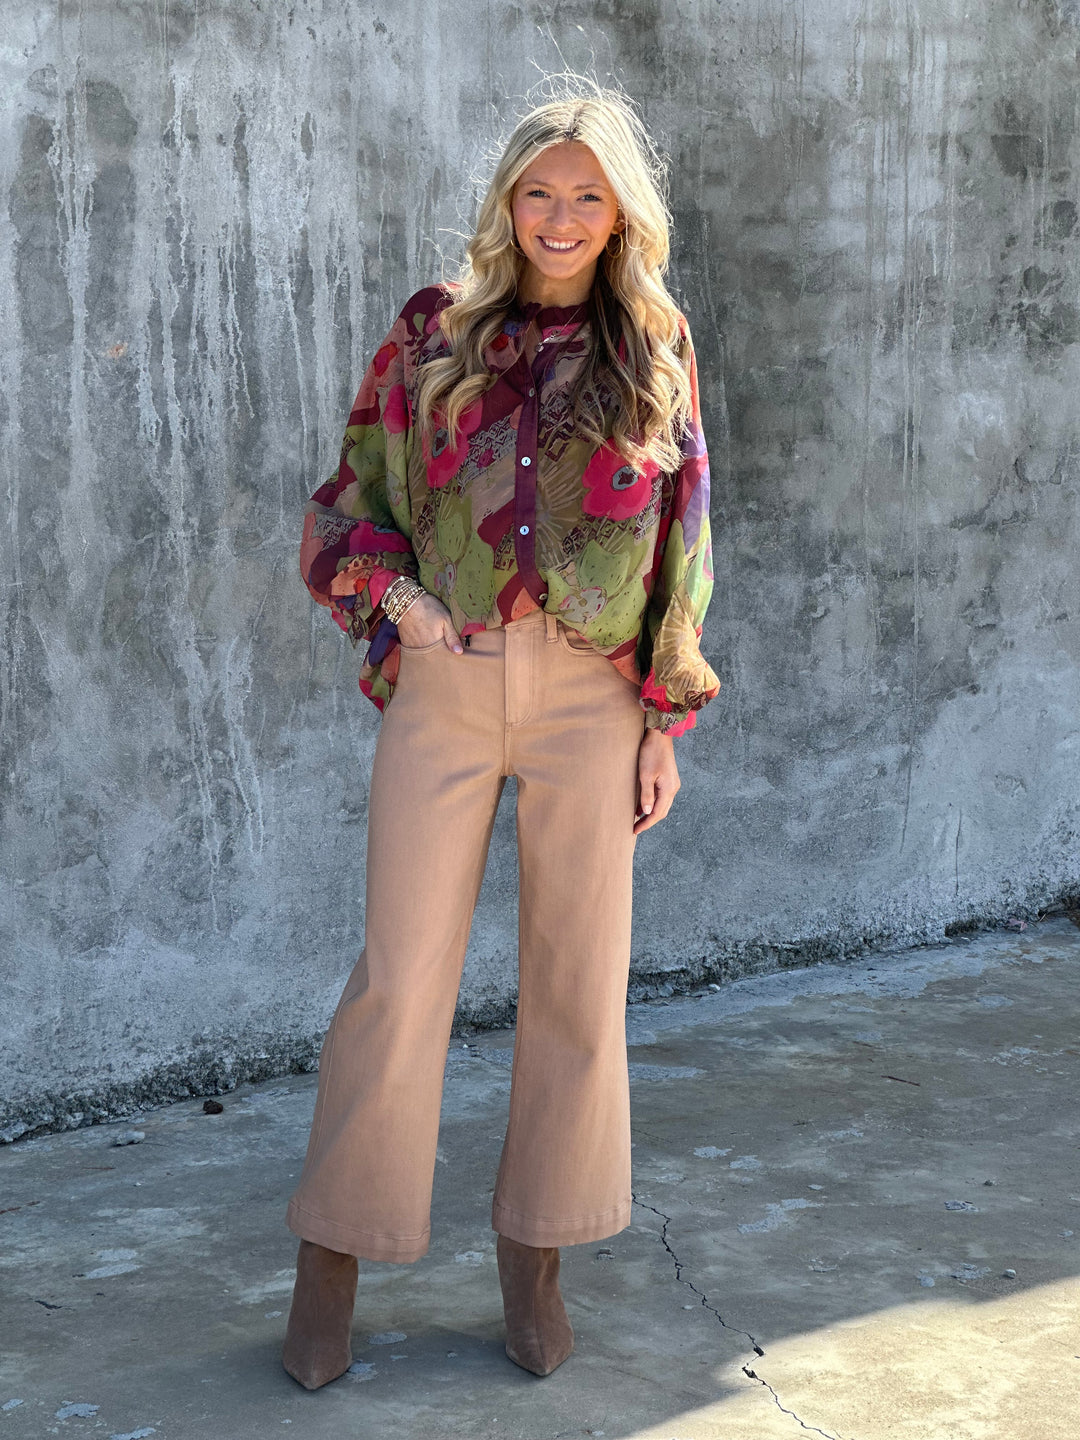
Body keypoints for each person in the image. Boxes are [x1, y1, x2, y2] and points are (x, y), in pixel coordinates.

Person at [281, 79, 721, 1390]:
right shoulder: (435, 331)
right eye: (540, 191)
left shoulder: (654, 341)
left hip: (594, 698)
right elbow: (350, 499)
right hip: (450, 680)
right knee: (399, 979)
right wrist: (401, 605)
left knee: (578, 984)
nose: (561, 216)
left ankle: (537, 1262)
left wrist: (662, 720)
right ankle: (332, 1264)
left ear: (620, 212)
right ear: (508, 201)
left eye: (588, 195)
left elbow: (688, 534)